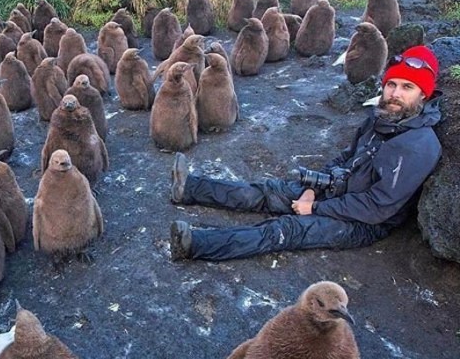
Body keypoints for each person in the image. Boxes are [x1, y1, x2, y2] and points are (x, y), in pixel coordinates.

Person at [169, 45, 442, 262]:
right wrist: (314, 187)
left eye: (407, 87)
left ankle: (196, 244)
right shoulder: (380, 117)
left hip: (362, 221)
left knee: (285, 230)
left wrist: (315, 208)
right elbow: (345, 157)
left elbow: (376, 207)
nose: (395, 94)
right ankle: (190, 188)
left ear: (423, 95)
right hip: (335, 191)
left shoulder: (419, 145)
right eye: (392, 84)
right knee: (269, 191)